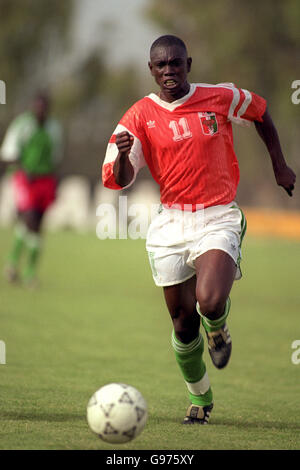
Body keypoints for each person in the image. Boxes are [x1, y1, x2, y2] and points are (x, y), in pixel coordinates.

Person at [102, 35, 296, 424]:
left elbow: (260, 112)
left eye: (176, 63)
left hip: (218, 215)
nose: (169, 70)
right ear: (151, 70)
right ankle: (200, 398)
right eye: (161, 65)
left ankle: (219, 328)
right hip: (171, 222)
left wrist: (278, 165)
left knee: (208, 302)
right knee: (183, 323)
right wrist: (124, 152)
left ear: (188, 63)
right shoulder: (138, 116)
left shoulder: (220, 97)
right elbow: (119, 180)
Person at [0, 92, 63, 286]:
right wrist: (21, 167)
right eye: (38, 107)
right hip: (25, 178)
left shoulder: (54, 128)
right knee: (30, 219)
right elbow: (8, 153)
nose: (41, 111)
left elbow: (56, 156)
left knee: (36, 226)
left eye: (44, 107)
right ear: (33, 107)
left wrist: (55, 179)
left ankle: (25, 270)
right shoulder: (23, 125)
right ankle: (19, 267)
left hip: (46, 180)